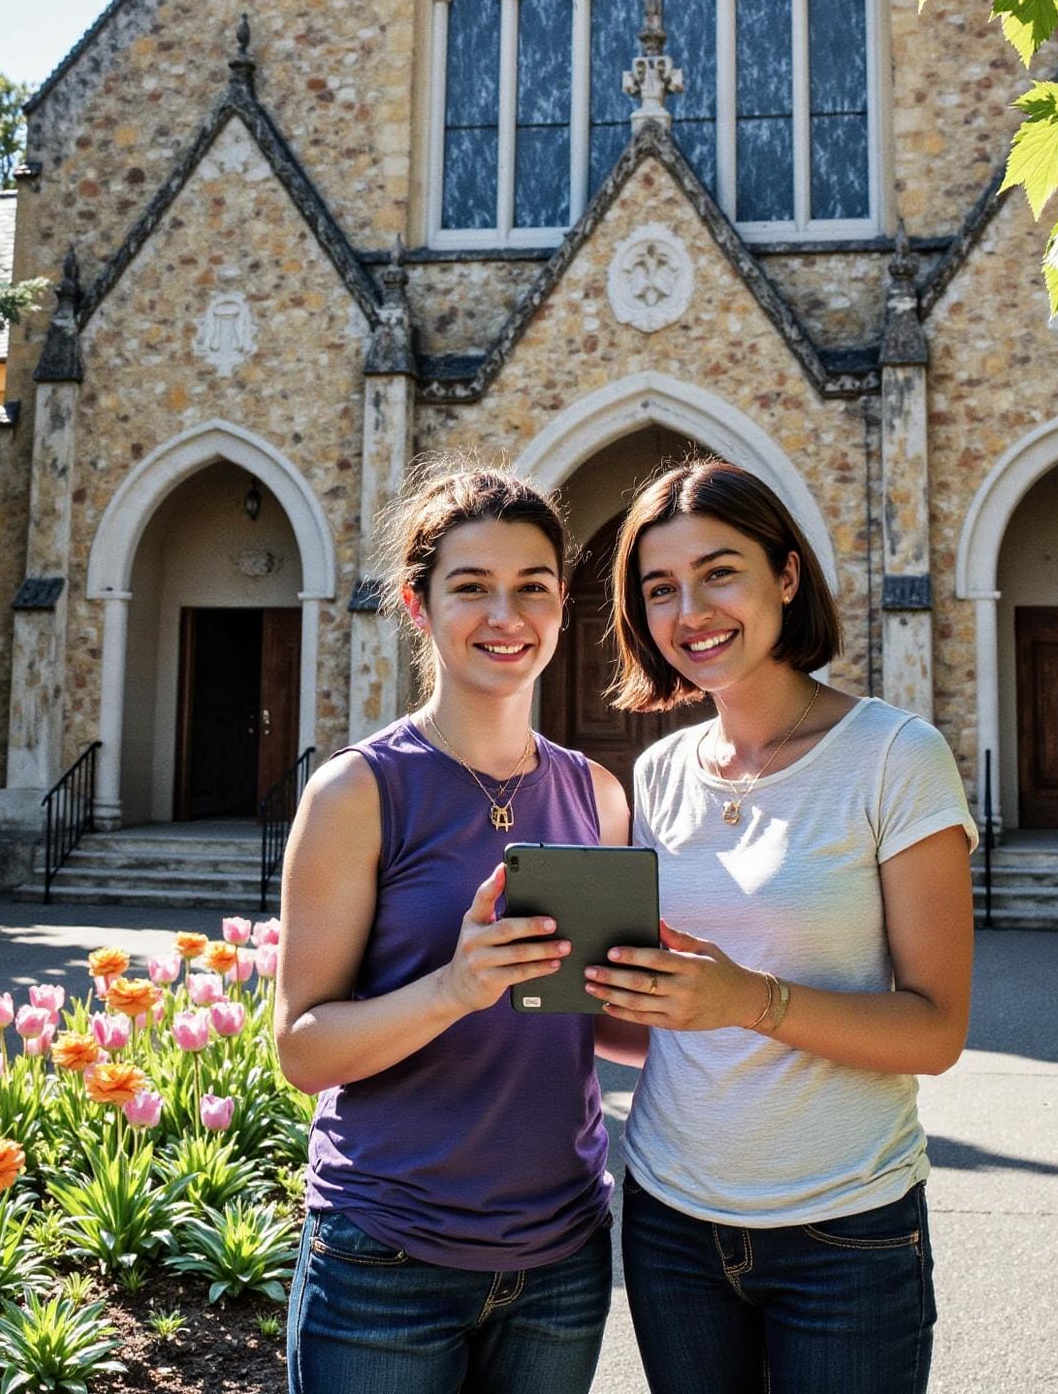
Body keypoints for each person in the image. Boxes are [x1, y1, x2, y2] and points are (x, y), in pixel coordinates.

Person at [583, 458, 976, 1394]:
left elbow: (934, 1030)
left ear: (787, 576)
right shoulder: (661, 771)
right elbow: (659, 1031)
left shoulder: (894, 756)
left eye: (720, 572)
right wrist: (520, 979)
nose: (692, 611)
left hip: (844, 1227)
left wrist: (746, 999)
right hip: (670, 1219)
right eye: (661, 588)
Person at [274, 463, 625, 1394]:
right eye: (471, 587)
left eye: (533, 588)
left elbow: (602, 1027)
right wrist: (453, 989)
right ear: (418, 605)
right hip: (385, 1257)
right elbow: (305, 1051)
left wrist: (698, 990)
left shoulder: (596, 794)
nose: (505, 615)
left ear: (559, 607)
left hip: (563, 1257)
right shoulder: (358, 791)